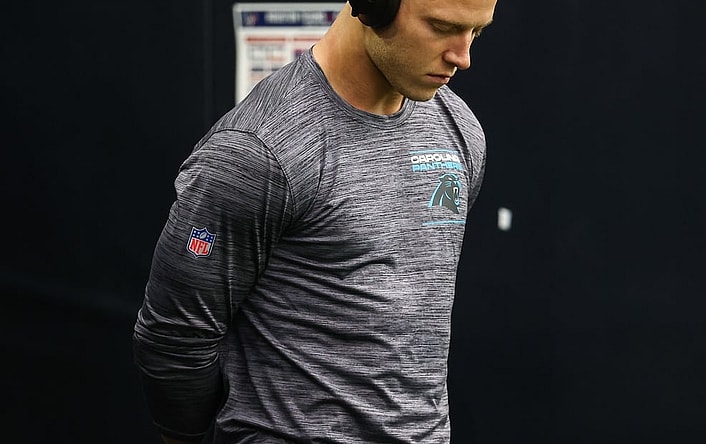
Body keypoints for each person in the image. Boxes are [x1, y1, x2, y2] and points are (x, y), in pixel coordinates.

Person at [131, 0, 497, 442]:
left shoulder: (457, 130)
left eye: (476, 32)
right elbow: (174, 340)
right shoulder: (259, 150)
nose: (463, 56)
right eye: (441, 27)